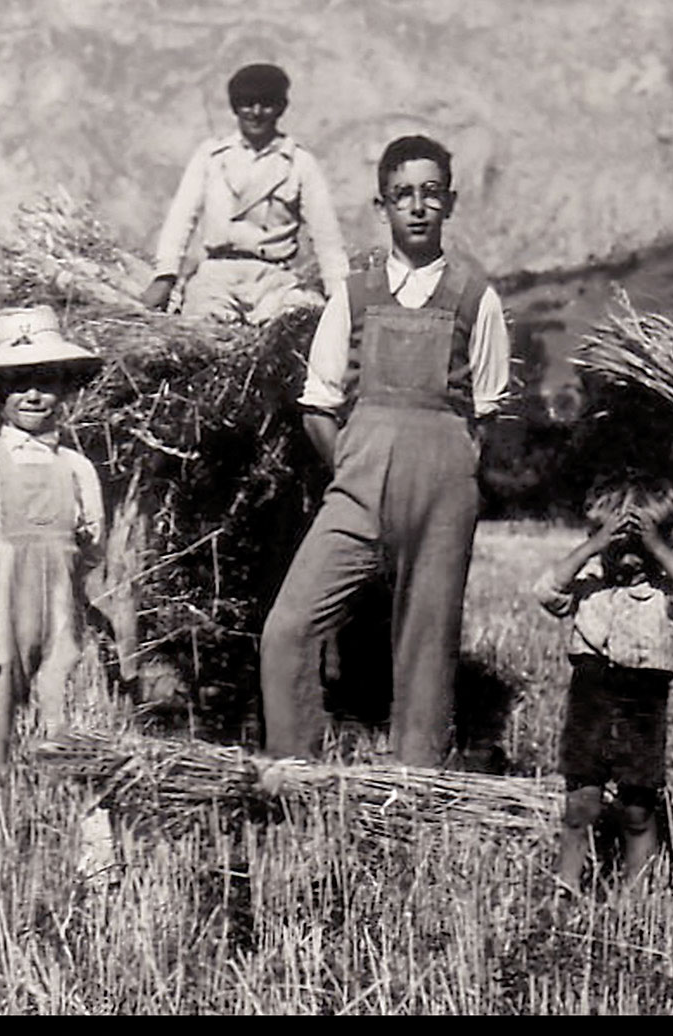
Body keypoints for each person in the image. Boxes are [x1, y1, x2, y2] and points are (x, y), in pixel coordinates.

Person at [259, 134, 512, 767]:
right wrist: (354, 465)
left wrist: (450, 474)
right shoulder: (354, 293)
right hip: (359, 487)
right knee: (287, 629)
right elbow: (318, 404)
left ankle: (415, 792)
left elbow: (486, 412)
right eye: (403, 195)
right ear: (383, 206)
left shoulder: (477, 298)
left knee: (426, 651)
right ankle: (293, 776)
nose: (418, 207)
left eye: (431, 193)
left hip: (443, 494)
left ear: (449, 202)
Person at [0, 306, 119, 882]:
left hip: (63, 618)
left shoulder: (77, 468)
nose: (35, 394)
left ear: (65, 388)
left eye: (46, 380)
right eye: (20, 382)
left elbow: (90, 549)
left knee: (72, 729)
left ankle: (94, 857)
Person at [534, 475, 673, 889]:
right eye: (619, 548)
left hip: (642, 705)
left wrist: (655, 548)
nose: (630, 560)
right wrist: (593, 547)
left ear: (666, 541)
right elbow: (546, 591)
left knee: (638, 806)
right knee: (581, 802)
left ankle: (639, 894)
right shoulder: (589, 586)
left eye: (642, 549)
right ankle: (567, 884)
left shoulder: (666, 593)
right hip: (590, 699)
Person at [139, 63, 348, 325]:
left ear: (281, 108)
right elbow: (180, 221)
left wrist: (341, 296)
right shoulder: (211, 157)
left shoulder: (299, 163)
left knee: (296, 320)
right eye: (247, 104)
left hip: (273, 279)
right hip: (216, 276)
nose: (256, 113)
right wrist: (165, 275)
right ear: (235, 107)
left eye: (266, 104)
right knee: (203, 325)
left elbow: (327, 239)